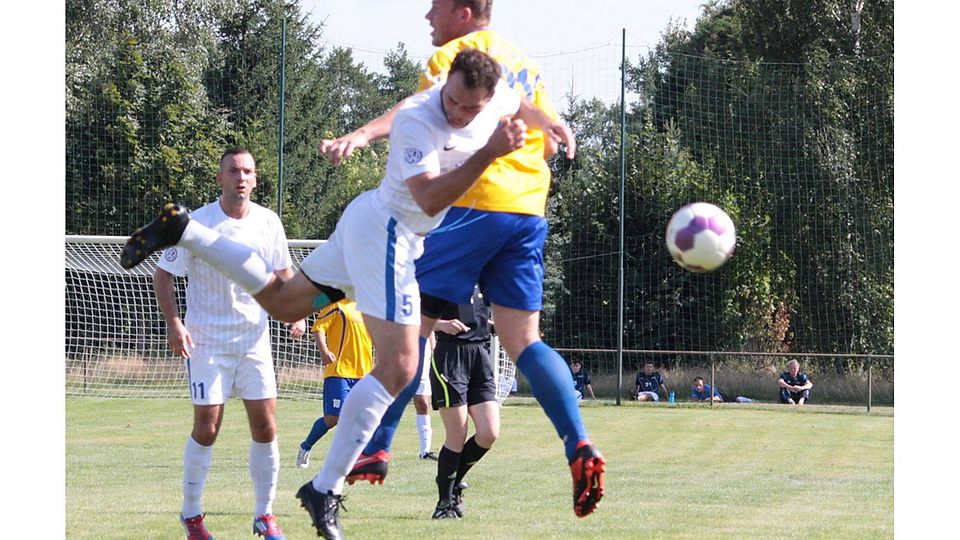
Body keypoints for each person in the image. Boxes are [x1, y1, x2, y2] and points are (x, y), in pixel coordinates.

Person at [121, 49, 572, 540]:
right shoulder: (423, 120)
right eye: (455, 103)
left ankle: (187, 231)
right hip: (387, 236)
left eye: (472, 108)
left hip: (367, 225)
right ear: (446, 87)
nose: (460, 114)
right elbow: (428, 196)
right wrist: (488, 153)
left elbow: (517, 103)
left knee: (282, 300)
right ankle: (325, 487)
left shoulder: (493, 97)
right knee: (400, 366)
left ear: (487, 99)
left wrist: (550, 122)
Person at [321, 0, 605, 519]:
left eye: (436, 7)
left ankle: (377, 446)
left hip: (472, 206)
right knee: (524, 341)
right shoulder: (523, 63)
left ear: (466, 12)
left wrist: (361, 133)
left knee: (413, 332)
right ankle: (579, 442)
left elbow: (415, 109)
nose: (428, 16)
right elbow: (541, 144)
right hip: (528, 211)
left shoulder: (459, 56)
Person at [151, 147, 305, 540]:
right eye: (233, 171)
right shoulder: (197, 224)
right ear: (220, 177)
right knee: (207, 427)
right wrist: (174, 323)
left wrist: (299, 310)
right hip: (207, 342)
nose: (241, 177)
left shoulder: (269, 223)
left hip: (254, 339)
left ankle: (265, 515)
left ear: (255, 179)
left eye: (248, 171)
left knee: (267, 425)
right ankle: (192, 516)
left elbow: (285, 273)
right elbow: (164, 273)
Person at [429, 286, 498, 519]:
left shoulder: (483, 277)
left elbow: (475, 316)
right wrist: (441, 325)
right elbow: (408, 317)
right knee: (457, 434)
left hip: (480, 356)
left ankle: (454, 482)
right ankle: (444, 504)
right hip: (451, 356)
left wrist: (493, 326)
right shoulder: (442, 274)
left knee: (489, 433)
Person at [296, 299, 374, 469]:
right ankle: (305, 446)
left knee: (364, 418)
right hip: (340, 372)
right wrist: (324, 351)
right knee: (333, 418)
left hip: (364, 373)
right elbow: (318, 328)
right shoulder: (336, 305)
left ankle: (355, 459)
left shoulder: (366, 307)